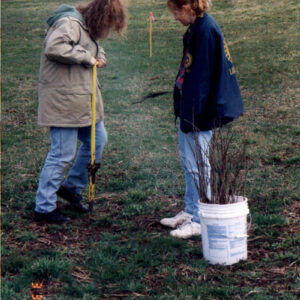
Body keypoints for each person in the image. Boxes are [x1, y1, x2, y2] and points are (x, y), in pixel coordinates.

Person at [34, 0, 127, 223]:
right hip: (64, 102)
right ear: (99, 17)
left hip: (83, 100)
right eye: (108, 24)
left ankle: (71, 187)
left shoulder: (86, 27)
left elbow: (90, 45)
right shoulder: (70, 22)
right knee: (62, 154)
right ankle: (43, 208)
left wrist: (100, 55)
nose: (107, 31)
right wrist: (87, 58)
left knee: (98, 141)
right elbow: (54, 47)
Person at [160, 0, 243, 238]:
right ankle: (190, 209)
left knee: (198, 164)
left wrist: (192, 115)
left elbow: (203, 79)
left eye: (176, 12)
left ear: (186, 7)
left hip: (199, 111)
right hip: (191, 108)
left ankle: (200, 219)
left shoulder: (206, 30)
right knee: (189, 162)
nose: (175, 17)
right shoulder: (197, 28)